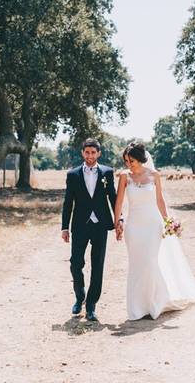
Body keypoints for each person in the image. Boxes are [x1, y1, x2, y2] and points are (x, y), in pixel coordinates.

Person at [115, 141, 195, 320]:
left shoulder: (155, 175)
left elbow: (160, 200)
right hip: (133, 227)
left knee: (150, 262)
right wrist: (117, 224)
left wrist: (168, 221)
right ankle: (137, 307)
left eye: (132, 161)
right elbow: (119, 202)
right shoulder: (124, 176)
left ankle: (154, 303)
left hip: (152, 225)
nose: (129, 165)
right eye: (126, 161)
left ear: (141, 160)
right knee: (136, 265)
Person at [60, 138, 119, 323]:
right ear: (82, 153)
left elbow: (113, 198)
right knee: (75, 263)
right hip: (79, 225)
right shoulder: (73, 174)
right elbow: (68, 202)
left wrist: (119, 220)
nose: (90, 156)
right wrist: (64, 226)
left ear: (99, 153)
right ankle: (80, 297)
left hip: (101, 225)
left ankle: (92, 304)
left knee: (98, 265)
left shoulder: (107, 173)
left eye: (94, 152)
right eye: (87, 152)